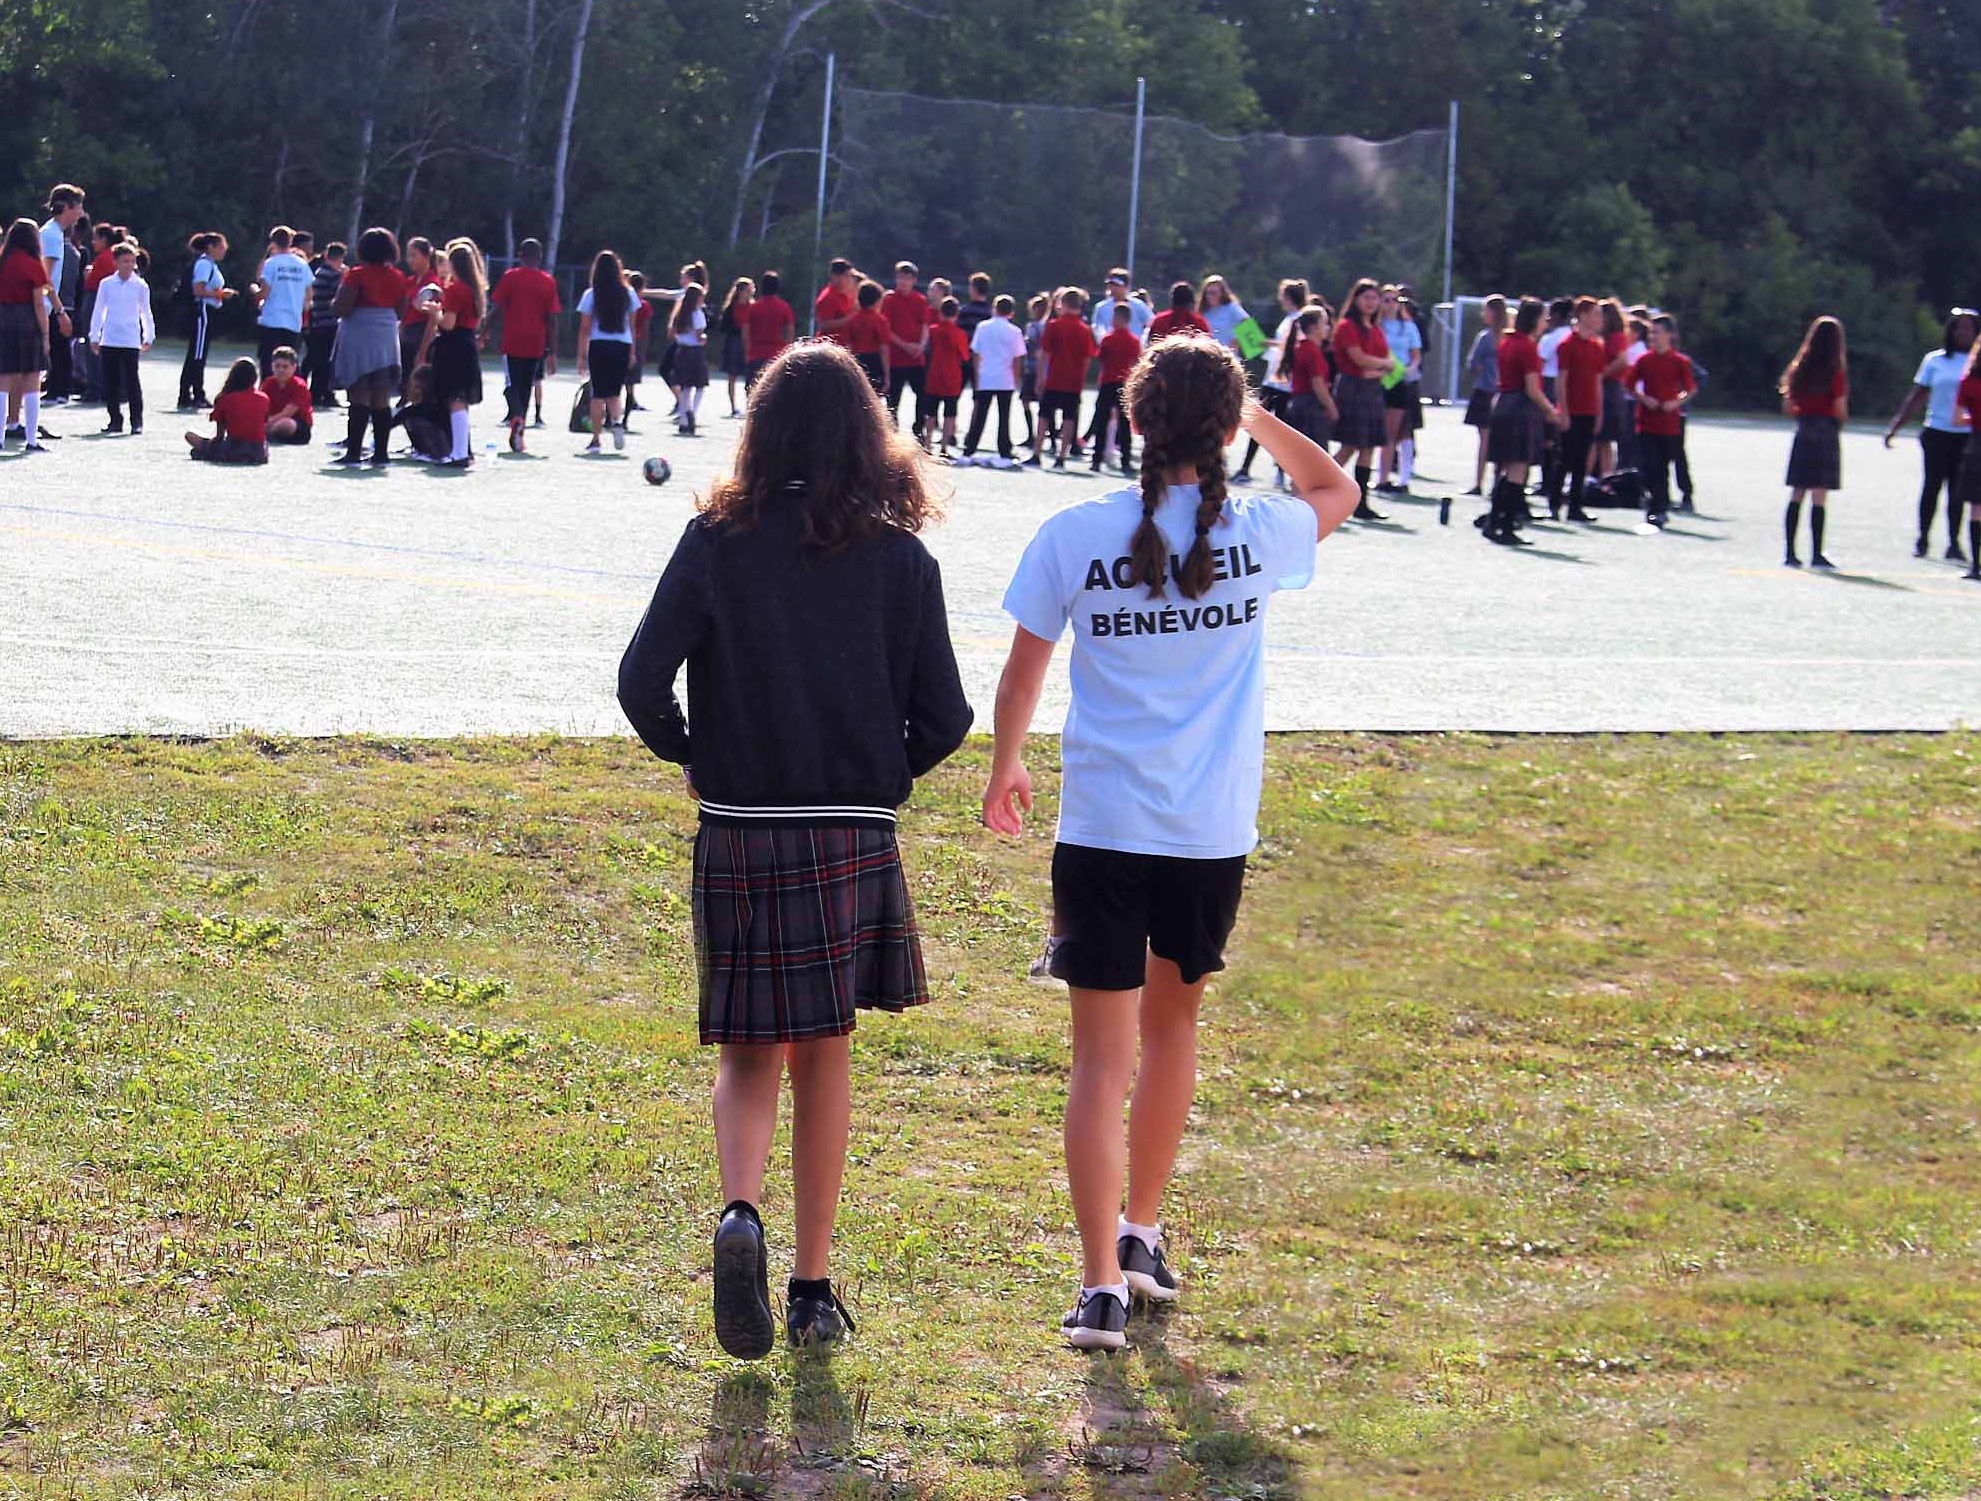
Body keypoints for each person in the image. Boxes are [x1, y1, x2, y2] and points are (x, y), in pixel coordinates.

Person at [981, 332, 1360, 1350]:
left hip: (1103, 826)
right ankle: (1139, 1228)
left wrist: (1003, 763)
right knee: (1173, 1030)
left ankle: (1101, 1279)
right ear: (1225, 427)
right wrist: (1259, 421)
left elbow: (1021, 676)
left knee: (1099, 1061)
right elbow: (1339, 486)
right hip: (1206, 829)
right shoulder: (1267, 530)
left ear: (1131, 418)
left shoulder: (1074, 531)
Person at [616, 339, 971, 1360]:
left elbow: (643, 681)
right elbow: (944, 716)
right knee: (826, 1051)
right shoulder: (902, 559)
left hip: (740, 823)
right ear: (870, 438)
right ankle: (812, 1282)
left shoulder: (716, 540)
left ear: (759, 432)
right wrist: (879, 769)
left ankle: (740, 1212)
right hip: (848, 831)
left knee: (746, 1046)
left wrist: (699, 754)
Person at [1885, 308, 1978, 561]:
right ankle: (1923, 538)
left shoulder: (1976, 363)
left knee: (1959, 491)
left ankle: (1954, 542)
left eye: (1969, 328)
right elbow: (1917, 396)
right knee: (1931, 486)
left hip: (1967, 435)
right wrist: (1896, 425)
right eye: (1959, 328)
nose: (1964, 333)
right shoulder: (1935, 361)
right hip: (1937, 432)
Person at [1483, 296, 1562, 545]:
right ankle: (1505, 525)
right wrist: (1551, 411)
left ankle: (1493, 520)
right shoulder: (1527, 346)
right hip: (1521, 409)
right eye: (1542, 317)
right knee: (1518, 469)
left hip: (1503, 403)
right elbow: (1532, 388)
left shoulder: (1507, 341)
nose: (1545, 322)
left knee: (1507, 468)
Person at [329, 226, 409, 467]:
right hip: (385, 338)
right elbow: (402, 311)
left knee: (358, 394)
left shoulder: (357, 274)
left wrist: (334, 301)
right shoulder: (398, 276)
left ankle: (354, 452)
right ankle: (381, 454)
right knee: (381, 397)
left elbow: (341, 308)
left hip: (360, 336)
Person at [1780, 315, 1847, 570]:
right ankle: (1817, 554)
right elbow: (1840, 408)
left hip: (1804, 429)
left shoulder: (1799, 369)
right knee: (1819, 494)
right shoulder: (1835, 373)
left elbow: (1788, 405)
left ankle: (1790, 552)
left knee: (1797, 492)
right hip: (1826, 430)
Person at [485, 237, 561, 454]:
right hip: (536, 341)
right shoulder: (548, 281)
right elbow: (552, 320)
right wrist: (553, 351)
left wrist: (484, 331)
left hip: (512, 340)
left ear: (520, 256)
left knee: (511, 385)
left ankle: (516, 417)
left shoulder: (511, 277)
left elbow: (497, 308)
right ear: (540, 257)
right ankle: (520, 434)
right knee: (527, 386)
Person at [1232, 279, 1308, 487]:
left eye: (1282, 295)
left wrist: (1266, 343)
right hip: (1274, 379)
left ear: (1288, 297)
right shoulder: (1289, 319)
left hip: (1286, 382)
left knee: (1280, 429)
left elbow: (1292, 346)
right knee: (1258, 424)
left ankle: (1281, 471)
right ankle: (1246, 469)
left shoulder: (1299, 319)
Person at [1627, 314, 1697, 530]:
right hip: (1647, 421)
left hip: (1669, 423)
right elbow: (1629, 384)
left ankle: (1661, 506)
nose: (1653, 337)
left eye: (1657, 333)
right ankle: (1655, 506)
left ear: (1669, 335)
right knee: (1650, 465)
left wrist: (1676, 402)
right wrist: (1644, 398)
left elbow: (1690, 388)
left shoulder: (1680, 362)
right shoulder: (1644, 360)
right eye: (1651, 333)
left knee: (1664, 466)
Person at [1331, 279, 1391, 520]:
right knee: (1348, 446)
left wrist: (1378, 367)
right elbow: (1358, 359)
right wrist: (1379, 364)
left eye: (1374, 298)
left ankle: (1362, 502)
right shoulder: (1346, 326)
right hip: (1353, 389)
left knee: (1368, 447)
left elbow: (1389, 362)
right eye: (1366, 297)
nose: (1371, 302)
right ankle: (1318, 485)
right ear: (1355, 299)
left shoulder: (1376, 328)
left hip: (1372, 390)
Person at [426, 237, 485, 466]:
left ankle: (459, 453)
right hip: (467, 342)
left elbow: (448, 323)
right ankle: (462, 450)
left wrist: (434, 313)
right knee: (461, 400)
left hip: (454, 344)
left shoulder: (455, 289)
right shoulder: (474, 289)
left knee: (456, 399)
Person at [1549, 297, 1609, 524]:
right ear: (1582, 315)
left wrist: (1599, 411)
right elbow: (1561, 380)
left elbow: (1597, 381)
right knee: (1565, 458)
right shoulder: (1567, 344)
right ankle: (1554, 503)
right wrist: (1562, 410)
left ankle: (1575, 505)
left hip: (1589, 410)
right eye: (1594, 314)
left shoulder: (1597, 346)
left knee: (1583, 460)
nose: (1598, 319)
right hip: (1571, 410)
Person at [87, 239, 153, 436]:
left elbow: (145, 312)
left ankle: (137, 421)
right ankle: (115, 419)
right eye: (125, 261)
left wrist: (149, 335)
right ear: (116, 262)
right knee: (111, 381)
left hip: (130, 339)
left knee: (132, 380)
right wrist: (94, 335)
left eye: (132, 261)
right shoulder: (106, 284)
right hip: (110, 338)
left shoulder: (140, 285)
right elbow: (99, 310)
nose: (130, 265)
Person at [1, 218, 55, 453]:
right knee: (32, 381)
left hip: (2, 320)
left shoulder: (3, 261)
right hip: (26, 322)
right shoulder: (34, 265)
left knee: (3, 381)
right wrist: (45, 335)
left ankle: (1, 439)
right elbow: (39, 305)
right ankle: (31, 440)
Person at [577, 248, 635, 453]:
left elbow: (585, 328)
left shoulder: (591, 294)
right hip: (622, 345)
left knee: (597, 394)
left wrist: (581, 355)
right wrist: (633, 352)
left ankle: (596, 439)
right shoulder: (628, 293)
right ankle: (617, 421)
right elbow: (632, 325)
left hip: (599, 345)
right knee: (614, 392)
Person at [1033, 287, 1097, 469]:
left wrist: (1040, 377)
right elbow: (1087, 358)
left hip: (1054, 378)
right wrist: (1081, 379)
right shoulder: (1084, 329)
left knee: (1044, 415)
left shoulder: (1054, 325)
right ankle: (1062, 457)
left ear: (1062, 303)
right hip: (1073, 381)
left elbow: (1044, 354)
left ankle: (1037, 453)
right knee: (1069, 417)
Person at [963, 293, 1026, 465]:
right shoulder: (1015, 331)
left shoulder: (983, 327)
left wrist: (977, 375)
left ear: (994, 309)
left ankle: (970, 447)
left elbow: (976, 353)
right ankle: (1004, 449)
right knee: (1004, 416)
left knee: (980, 415)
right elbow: (1017, 359)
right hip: (1005, 379)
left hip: (986, 377)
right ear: (1011, 312)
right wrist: (1016, 379)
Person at [39, 186, 85, 408]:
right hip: (45, 308)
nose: (80, 213)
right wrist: (60, 312)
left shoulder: (55, 233)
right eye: (78, 207)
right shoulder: (50, 234)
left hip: (48, 307)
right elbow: (44, 279)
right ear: (67, 207)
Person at [178, 231, 233, 412]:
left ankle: (187, 394)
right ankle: (195, 394)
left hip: (208, 312)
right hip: (202, 311)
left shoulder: (210, 264)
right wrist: (220, 294)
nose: (224, 250)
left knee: (197, 352)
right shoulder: (204, 264)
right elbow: (198, 290)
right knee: (197, 354)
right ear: (211, 247)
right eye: (221, 246)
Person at [1376, 286, 1422, 493]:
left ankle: (1388, 478)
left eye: (1395, 300)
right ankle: (1377, 476)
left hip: (1399, 382)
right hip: (1378, 380)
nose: (1391, 304)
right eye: (1386, 300)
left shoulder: (1408, 326)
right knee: (1375, 432)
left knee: (1394, 432)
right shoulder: (1376, 325)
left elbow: (1416, 354)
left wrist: (1410, 368)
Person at [1089, 299, 1141, 474]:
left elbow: (1101, 358)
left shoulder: (1108, 339)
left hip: (1108, 381)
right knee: (1124, 423)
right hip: (1125, 383)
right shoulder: (1134, 341)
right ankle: (1125, 460)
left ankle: (1097, 459)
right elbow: (1136, 362)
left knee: (1102, 421)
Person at [254, 226, 313, 378]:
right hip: (293, 319)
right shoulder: (302, 264)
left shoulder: (271, 263)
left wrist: (254, 291)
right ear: (291, 241)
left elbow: (264, 293)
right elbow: (309, 294)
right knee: (291, 361)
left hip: (272, 319)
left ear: (273, 242)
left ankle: (268, 394)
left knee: (269, 361)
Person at [184, 357, 269, 463]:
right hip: (259, 451)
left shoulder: (224, 398)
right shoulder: (264, 398)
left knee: (190, 435)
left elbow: (219, 435)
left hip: (233, 449)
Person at [879, 261, 931, 434]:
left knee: (922, 394)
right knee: (894, 398)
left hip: (916, 357)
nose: (903, 282)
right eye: (901, 277)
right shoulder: (889, 299)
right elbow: (887, 328)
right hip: (896, 356)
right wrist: (905, 345)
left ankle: (918, 430)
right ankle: (892, 432)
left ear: (914, 280)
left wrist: (921, 345)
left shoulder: (920, 300)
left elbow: (925, 326)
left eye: (907, 278)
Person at [1462, 296, 1506, 499]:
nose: (1483, 315)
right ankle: (1496, 482)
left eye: (1485, 310)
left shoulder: (1486, 337)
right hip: (1501, 393)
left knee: (1486, 441)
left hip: (1486, 391)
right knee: (1496, 440)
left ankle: (1479, 482)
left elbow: (1473, 364)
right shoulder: (1507, 337)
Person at [1283, 305, 1339, 458]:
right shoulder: (1311, 350)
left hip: (1299, 403)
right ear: (1314, 327)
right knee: (1317, 455)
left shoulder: (1301, 347)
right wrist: (1331, 407)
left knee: (1303, 454)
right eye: (1325, 323)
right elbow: (1318, 385)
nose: (1328, 328)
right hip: (1310, 405)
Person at [1536, 297, 1574, 501]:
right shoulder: (1573, 336)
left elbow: (1539, 362)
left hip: (1550, 384)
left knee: (1547, 438)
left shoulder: (1552, 338)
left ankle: (1547, 481)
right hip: (1569, 387)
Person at [923, 295, 970, 457]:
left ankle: (927, 444)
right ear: (956, 314)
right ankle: (944, 447)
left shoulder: (933, 330)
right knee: (950, 413)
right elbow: (965, 356)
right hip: (952, 377)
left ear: (940, 313)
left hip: (934, 375)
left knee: (931, 413)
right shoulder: (959, 334)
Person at [304, 241, 347, 410]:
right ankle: (322, 393)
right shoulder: (332, 275)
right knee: (326, 362)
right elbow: (341, 295)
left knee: (318, 360)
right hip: (328, 323)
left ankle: (317, 393)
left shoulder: (320, 272)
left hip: (318, 321)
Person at [1952, 339, 1981, 581]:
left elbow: (1958, 420)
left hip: (1976, 445)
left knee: (1976, 507)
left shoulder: (1968, 382)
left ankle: (1975, 565)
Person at [1593, 298, 1630, 477]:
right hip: (1602, 387)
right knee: (1598, 440)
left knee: (1603, 438)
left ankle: (1605, 476)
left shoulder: (1616, 337)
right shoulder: (1600, 337)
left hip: (1609, 389)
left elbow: (1622, 360)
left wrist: (1601, 374)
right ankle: (1597, 476)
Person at [669, 283, 710, 436]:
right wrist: (704, 338)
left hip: (682, 350)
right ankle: (692, 412)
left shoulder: (679, 314)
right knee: (699, 385)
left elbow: (673, 333)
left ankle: (683, 419)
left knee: (685, 387)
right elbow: (700, 336)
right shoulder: (698, 314)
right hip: (695, 352)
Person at [399, 237, 440, 390]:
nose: (410, 260)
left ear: (426, 256)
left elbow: (432, 320)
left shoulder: (433, 283)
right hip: (407, 336)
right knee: (403, 385)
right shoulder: (410, 281)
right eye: (408, 255)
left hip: (421, 335)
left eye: (414, 255)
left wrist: (423, 351)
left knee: (418, 386)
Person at [391, 362, 450, 461]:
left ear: (418, 388)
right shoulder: (445, 408)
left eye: (410, 385)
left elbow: (384, 428)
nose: (407, 389)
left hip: (434, 454)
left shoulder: (409, 414)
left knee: (413, 422)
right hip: (449, 451)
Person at [844, 279, 891, 397]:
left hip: (857, 360)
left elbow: (848, 346)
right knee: (873, 398)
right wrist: (887, 375)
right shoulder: (880, 320)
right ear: (877, 300)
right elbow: (884, 348)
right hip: (874, 361)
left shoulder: (853, 320)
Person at [260, 345, 314, 444]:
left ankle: (264, 433)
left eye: (285, 366)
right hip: (272, 420)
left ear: (294, 367)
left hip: (297, 425)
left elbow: (287, 413)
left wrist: (263, 426)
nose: (281, 370)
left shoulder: (300, 386)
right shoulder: (268, 383)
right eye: (277, 366)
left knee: (286, 424)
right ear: (272, 366)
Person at [1019, 292, 1050, 452]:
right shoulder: (1031, 326)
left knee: (1044, 404)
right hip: (1030, 368)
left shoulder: (1042, 327)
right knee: (1026, 401)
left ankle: (1047, 438)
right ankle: (1031, 435)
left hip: (1037, 369)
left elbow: (1039, 348)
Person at [717, 276, 752, 416]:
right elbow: (723, 327)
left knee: (750, 376)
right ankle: (733, 406)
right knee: (732, 376)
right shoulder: (731, 308)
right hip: (734, 342)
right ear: (741, 291)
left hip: (749, 342)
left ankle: (749, 406)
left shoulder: (753, 306)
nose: (751, 292)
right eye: (748, 290)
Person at [1088, 268, 1153, 343]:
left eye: (1116, 285)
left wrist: (1143, 341)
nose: (1112, 288)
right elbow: (1097, 329)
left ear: (1126, 286)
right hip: (1110, 348)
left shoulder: (1139, 305)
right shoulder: (1101, 307)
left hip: (1134, 349)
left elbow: (1151, 324)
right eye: (1111, 285)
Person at [1197, 275, 1249, 355]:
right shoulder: (1203, 311)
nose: (1209, 296)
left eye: (1213, 293)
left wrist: (1236, 341)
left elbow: (1246, 324)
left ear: (1222, 293)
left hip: (1228, 358)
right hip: (1207, 357)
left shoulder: (1231, 308)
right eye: (1207, 293)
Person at [814, 257, 857, 343]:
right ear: (834, 276)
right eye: (846, 276)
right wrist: (851, 318)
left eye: (850, 276)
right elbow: (823, 325)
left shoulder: (845, 295)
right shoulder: (828, 297)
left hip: (843, 345)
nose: (849, 279)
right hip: (828, 346)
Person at [956, 272, 995, 348]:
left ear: (974, 289)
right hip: (986, 355)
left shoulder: (964, 312)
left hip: (967, 354)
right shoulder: (991, 313)